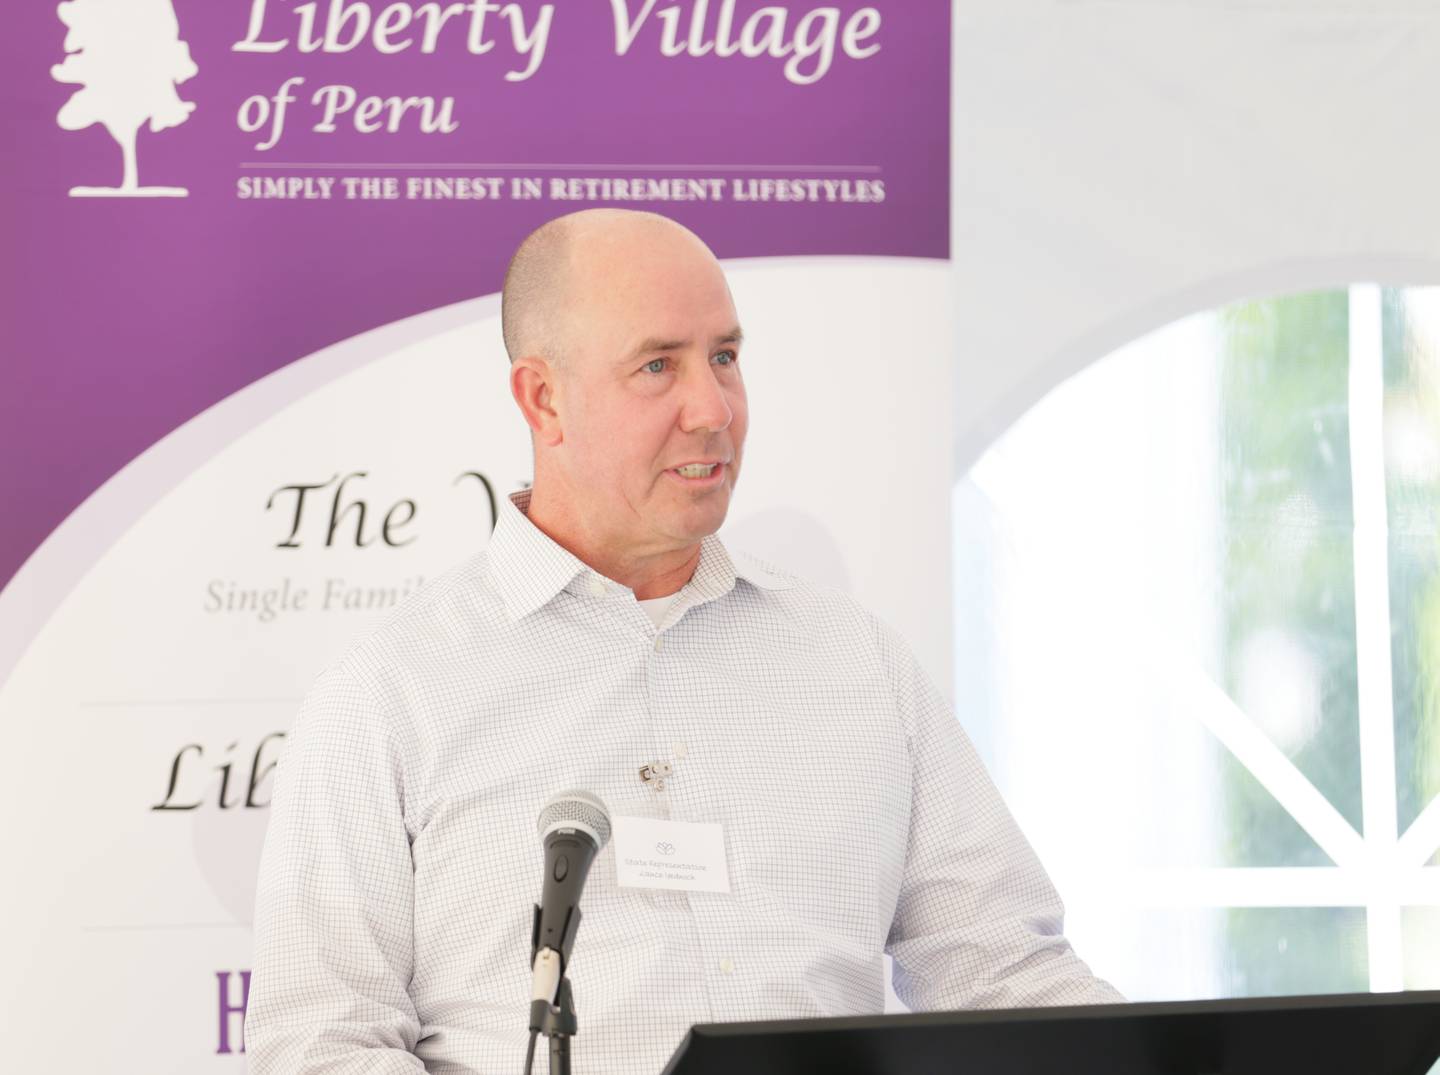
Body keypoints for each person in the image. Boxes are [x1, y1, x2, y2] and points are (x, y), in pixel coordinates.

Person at [245, 209, 1121, 1075]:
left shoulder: (860, 666)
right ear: (543, 398)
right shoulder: (391, 695)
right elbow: (321, 1044)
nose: (712, 408)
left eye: (726, 358)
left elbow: (1004, 973)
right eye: (658, 366)